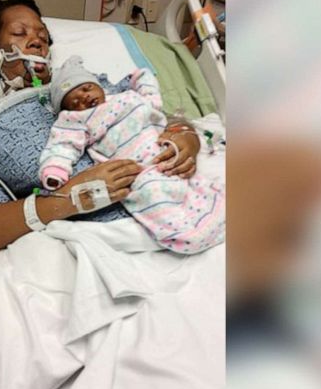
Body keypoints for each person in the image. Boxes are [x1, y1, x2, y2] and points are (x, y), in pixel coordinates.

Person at [0, 0, 202, 252]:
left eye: (43, 37)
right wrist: (67, 199)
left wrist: (186, 136)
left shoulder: (87, 85)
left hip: (184, 198)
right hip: (115, 239)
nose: (37, 42)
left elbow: (154, 111)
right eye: (20, 33)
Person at [39, 58, 224, 254]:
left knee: (194, 180)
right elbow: (63, 144)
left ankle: (220, 214)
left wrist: (140, 77)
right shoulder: (76, 119)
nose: (84, 98)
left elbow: (152, 98)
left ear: (97, 85)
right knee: (154, 197)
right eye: (75, 102)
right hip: (139, 169)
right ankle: (188, 236)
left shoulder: (127, 97)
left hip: (165, 150)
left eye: (86, 88)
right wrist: (55, 169)